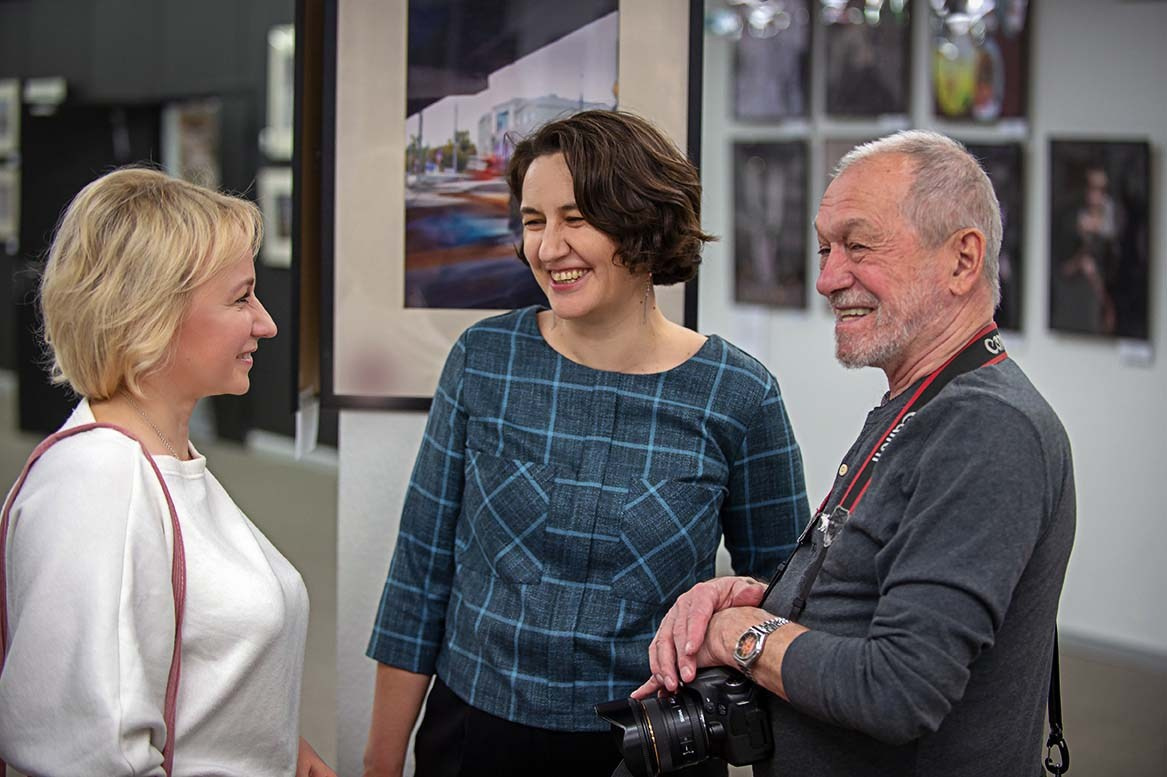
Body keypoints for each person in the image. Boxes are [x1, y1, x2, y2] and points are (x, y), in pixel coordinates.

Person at [363, 110, 809, 777]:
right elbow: (418, 577)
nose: (547, 248)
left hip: (650, 747)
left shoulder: (738, 393)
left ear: (642, 222)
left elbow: (778, 602)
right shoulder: (485, 358)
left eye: (576, 218)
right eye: (533, 220)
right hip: (474, 736)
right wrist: (378, 764)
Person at [634, 130, 1076, 776]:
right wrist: (766, 598)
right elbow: (881, 592)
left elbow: (899, 688)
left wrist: (738, 636)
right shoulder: (924, 403)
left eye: (858, 246)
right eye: (823, 247)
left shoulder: (985, 425)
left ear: (961, 260)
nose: (826, 278)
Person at [0, 168, 334, 777]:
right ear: (150, 315)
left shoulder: (164, 459)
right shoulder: (100, 482)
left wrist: (278, 748)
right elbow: (88, 756)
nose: (266, 323)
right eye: (240, 298)